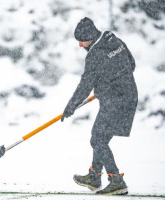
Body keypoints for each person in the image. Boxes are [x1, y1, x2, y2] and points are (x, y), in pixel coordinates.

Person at [61, 17, 138, 195]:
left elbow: (85, 85)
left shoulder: (95, 54)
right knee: (101, 138)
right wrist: (109, 83)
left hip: (116, 100)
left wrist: (70, 106)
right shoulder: (113, 40)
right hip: (127, 96)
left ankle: (116, 181)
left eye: (82, 40)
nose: (80, 45)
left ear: (90, 36)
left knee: (98, 139)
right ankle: (94, 177)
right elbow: (130, 64)